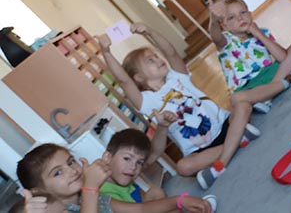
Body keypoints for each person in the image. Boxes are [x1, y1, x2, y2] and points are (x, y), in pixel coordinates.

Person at [97, 25, 258, 190]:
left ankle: (221, 162)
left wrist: (149, 31)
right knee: (183, 167)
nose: (158, 59)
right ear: (138, 77)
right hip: (200, 150)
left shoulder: (177, 76)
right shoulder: (146, 101)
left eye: (156, 56)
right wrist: (106, 51)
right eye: (150, 60)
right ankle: (238, 139)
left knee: (242, 106)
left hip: (225, 125)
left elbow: (171, 52)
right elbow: (124, 80)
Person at [15, 144, 213, 212]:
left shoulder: (90, 197)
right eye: (57, 172)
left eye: (70, 162)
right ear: (39, 191)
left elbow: (139, 209)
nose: (72, 170)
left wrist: (179, 200)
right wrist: (90, 187)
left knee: (167, 204)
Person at [207, 0, 291, 114]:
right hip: (249, 86)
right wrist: (214, 21)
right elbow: (216, 37)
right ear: (225, 26)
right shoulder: (226, 41)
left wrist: (258, 34)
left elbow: (283, 58)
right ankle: (288, 78)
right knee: (237, 98)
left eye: (243, 12)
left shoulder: (263, 32)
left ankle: (269, 94)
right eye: (231, 17)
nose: (240, 18)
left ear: (250, 14)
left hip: (270, 75)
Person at [99, 127, 168, 203]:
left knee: (157, 192)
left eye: (139, 162)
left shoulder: (125, 174)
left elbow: (155, 153)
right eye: (127, 158)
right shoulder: (102, 193)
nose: (133, 167)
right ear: (108, 157)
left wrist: (163, 126)